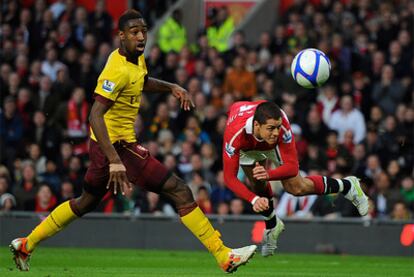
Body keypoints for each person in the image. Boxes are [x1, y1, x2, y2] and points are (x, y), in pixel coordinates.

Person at [10, 10, 256, 273]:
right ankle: (222, 255)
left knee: (85, 202)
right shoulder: (116, 70)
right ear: (121, 35)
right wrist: (115, 161)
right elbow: (95, 115)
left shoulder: (133, 60)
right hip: (116, 148)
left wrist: (172, 86)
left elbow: (141, 82)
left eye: (143, 31)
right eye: (134, 32)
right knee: (180, 190)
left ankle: (27, 243)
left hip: (104, 149)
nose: (141, 37)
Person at [222, 100, 369, 257]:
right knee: (258, 186)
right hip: (248, 144)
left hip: (272, 145)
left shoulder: (282, 127)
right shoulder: (234, 135)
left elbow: (292, 168)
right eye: (271, 128)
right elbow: (229, 178)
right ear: (256, 125)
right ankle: (273, 225)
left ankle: (348, 185)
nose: (276, 132)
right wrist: (253, 200)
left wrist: (269, 174)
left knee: (295, 188)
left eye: (277, 127)